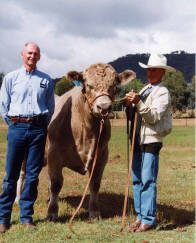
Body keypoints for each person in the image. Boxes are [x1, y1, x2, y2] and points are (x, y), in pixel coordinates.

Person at [0, 42, 55, 233]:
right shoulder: (10, 78)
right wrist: (15, 123)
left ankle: (26, 218)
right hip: (17, 127)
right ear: (22, 54)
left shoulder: (46, 80)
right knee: (11, 176)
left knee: (32, 176)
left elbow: (50, 107)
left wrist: (39, 124)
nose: (32, 56)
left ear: (39, 57)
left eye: (36, 53)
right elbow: (3, 105)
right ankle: (4, 219)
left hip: (38, 130)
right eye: (29, 53)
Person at [125, 54, 176, 232]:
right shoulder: (145, 89)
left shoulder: (162, 92)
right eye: (148, 69)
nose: (149, 72)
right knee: (137, 179)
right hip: (138, 139)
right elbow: (137, 113)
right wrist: (129, 105)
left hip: (151, 140)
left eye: (153, 69)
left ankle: (148, 219)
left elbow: (153, 117)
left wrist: (138, 103)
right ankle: (140, 217)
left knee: (148, 180)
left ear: (162, 72)